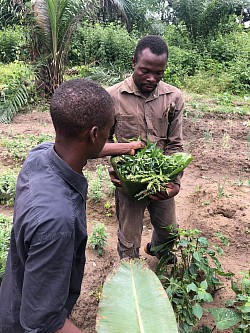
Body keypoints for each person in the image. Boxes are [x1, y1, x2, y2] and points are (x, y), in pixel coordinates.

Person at [0, 78, 142, 333]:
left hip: (15, 299)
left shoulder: (39, 156)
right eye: (110, 130)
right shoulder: (58, 222)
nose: (110, 135)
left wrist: (126, 147)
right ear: (94, 133)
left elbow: (83, 146)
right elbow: (42, 323)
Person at [107, 35, 184, 260]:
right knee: (129, 239)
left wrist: (175, 183)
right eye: (145, 71)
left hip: (161, 178)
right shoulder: (113, 96)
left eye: (159, 73)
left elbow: (175, 144)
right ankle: (131, 275)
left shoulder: (173, 97)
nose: (152, 78)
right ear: (133, 62)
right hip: (129, 183)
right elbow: (105, 141)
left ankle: (157, 251)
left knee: (169, 232)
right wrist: (116, 167)